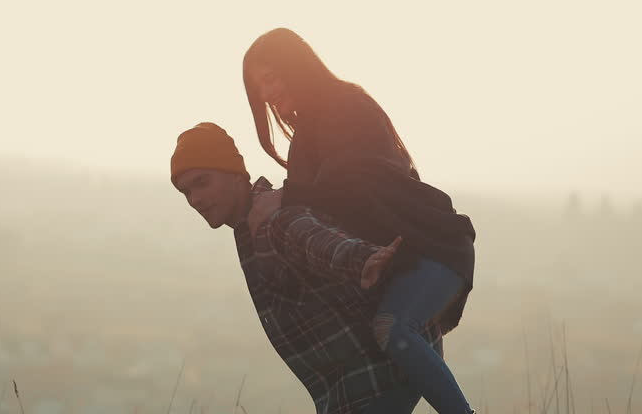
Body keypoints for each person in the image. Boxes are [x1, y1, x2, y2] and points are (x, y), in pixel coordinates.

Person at [242, 28, 476, 413]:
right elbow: (317, 216)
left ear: (296, 66)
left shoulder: (346, 105)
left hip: (432, 249)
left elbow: (354, 181)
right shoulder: (307, 134)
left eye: (271, 78)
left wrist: (284, 198)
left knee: (392, 329)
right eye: (258, 87)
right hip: (399, 262)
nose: (266, 93)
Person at [169, 122, 444, 413]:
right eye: (186, 192)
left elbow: (318, 241)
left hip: (373, 383)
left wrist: (362, 258)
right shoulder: (249, 230)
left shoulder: (273, 219)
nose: (195, 200)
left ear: (236, 175)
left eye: (202, 182)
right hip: (351, 392)